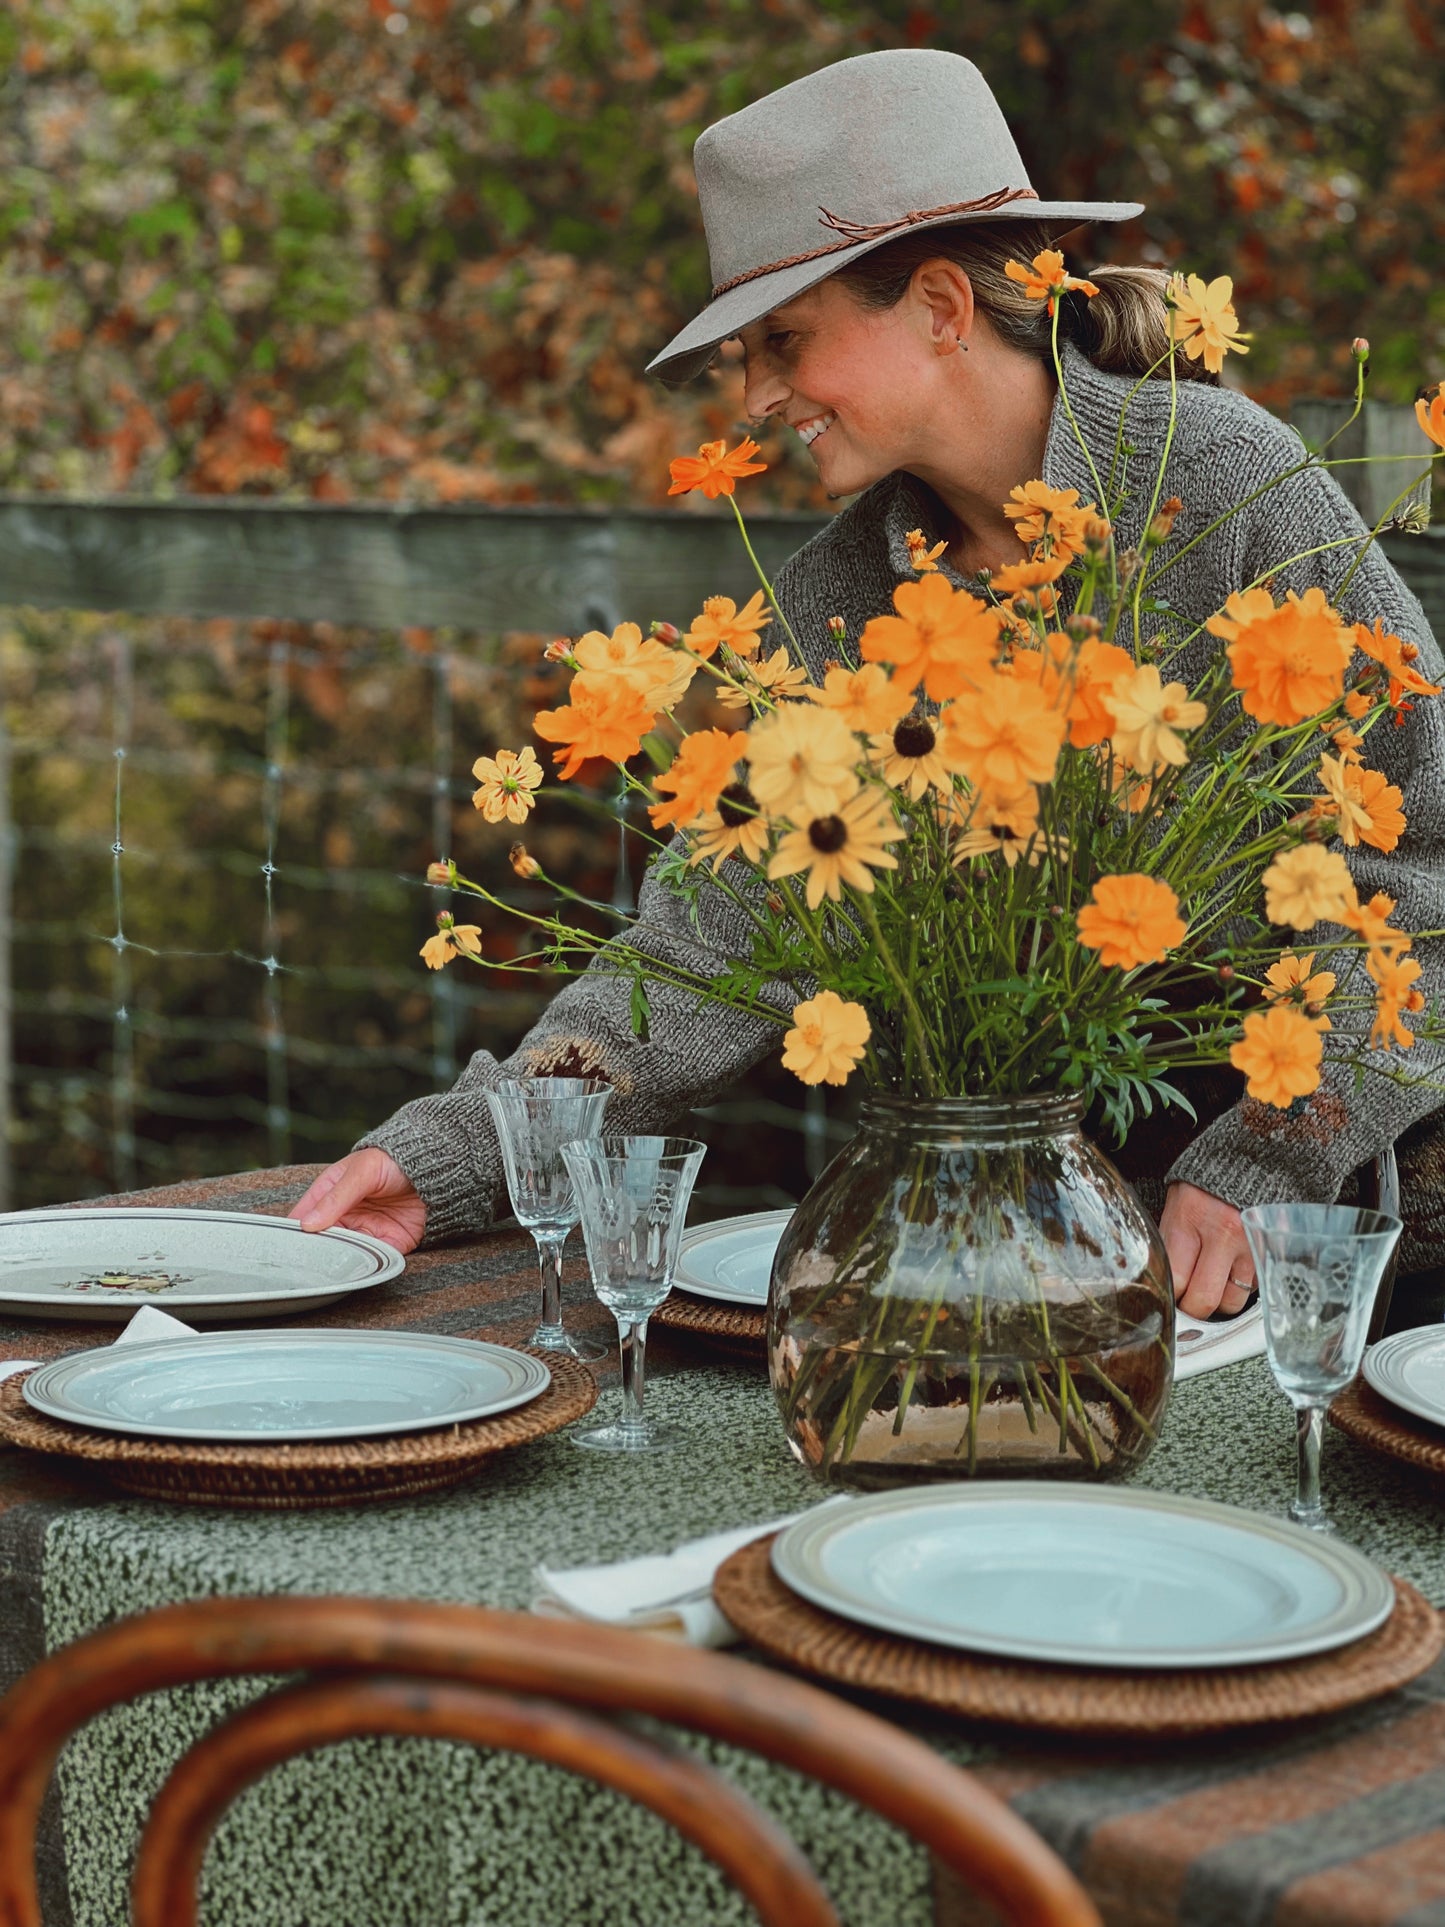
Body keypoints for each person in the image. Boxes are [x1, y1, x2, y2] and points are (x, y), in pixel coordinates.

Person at [294, 49, 1445, 1322]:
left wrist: (1261, 1160)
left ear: (941, 306)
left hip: (1342, 1227)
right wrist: (461, 1148)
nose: (758, 395)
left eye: (783, 340)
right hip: (1010, 1240)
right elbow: (700, 948)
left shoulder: (1225, 485)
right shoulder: (832, 602)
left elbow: (1428, 869)